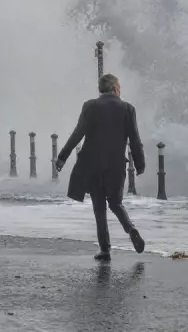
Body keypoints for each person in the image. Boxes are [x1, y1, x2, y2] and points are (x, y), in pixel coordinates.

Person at [55, 73, 146, 261]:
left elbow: (77, 134)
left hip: (93, 165)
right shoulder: (128, 109)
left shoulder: (90, 106)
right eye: (119, 86)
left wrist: (62, 157)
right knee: (115, 203)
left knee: (99, 207)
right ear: (115, 88)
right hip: (115, 166)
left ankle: (105, 249)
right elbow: (135, 140)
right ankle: (131, 229)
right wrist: (140, 163)